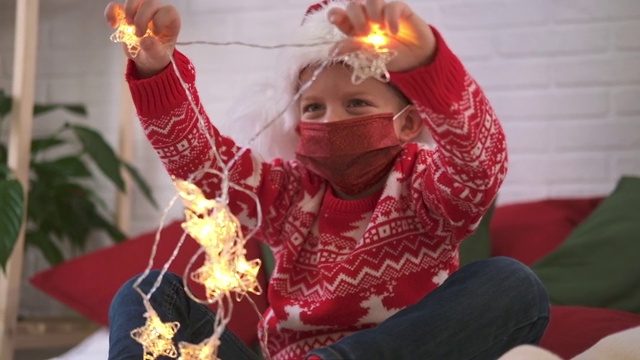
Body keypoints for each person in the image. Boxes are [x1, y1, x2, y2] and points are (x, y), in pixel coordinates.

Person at [105, 0, 550, 359]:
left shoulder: (426, 185)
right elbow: (202, 163)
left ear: (410, 122)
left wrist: (428, 63)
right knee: (149, 293)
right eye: (313, 108)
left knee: (515, 285)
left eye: (356, 103)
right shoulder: (284, 193)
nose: (330, 120)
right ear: (296, 124)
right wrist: (156, 70)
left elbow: (478, 164)